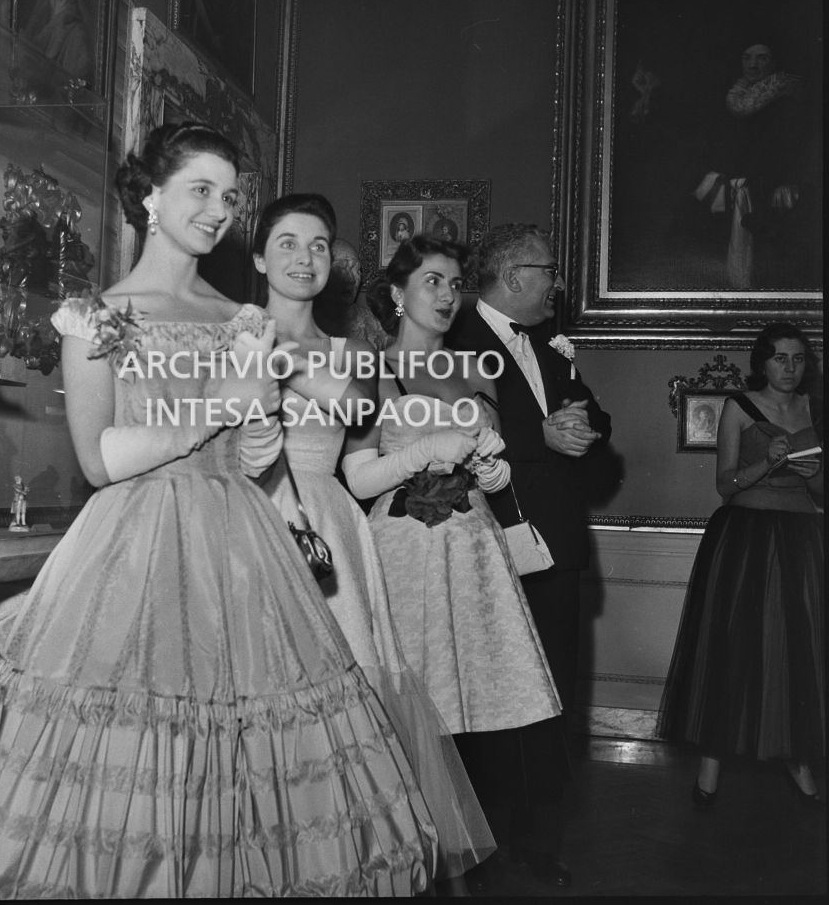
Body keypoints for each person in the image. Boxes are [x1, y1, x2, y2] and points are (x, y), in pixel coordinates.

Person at [0, 122, 440, 898]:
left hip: (241, 548)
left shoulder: (241, 318)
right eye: (201, 190)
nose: (219, 209)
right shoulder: (99, 314)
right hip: (133, 546)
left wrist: (257, 437)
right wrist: (215, 409)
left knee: (237, 772)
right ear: (150, 197)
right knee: (126, 772)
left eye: (229, 197)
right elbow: (98, 457)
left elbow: (256, 452)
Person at [254, 194, 496, 881]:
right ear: (259, 256)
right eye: (289, 243)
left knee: (342, 707)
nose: (306, 258)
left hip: (327, 515)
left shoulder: (359, 355)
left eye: (319, 245)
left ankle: (329, 861)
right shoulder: (228, 334)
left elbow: (357, 448)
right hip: (247, 511)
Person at [343, 235, 563, 876]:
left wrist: (491, 472)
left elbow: (496, 469)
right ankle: (403, 845)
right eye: (431, 281)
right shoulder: (372, 370)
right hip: (404, 547)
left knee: (485, 698)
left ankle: (483, 847)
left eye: (452, 283)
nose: (445, 294)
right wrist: (422, 452)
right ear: (397, 294)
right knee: (411, 696)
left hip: (475, 550)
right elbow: (360, 479)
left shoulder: (475, 370)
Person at [448, 222, 612, 888]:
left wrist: (586, 427)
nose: (557, 283)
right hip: (485, 542)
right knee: (485, 698)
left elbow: (596, 416)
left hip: (558, 547)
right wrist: (539, 435)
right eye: (550, 270)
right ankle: (482, 839)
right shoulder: (453, 337)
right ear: (515, 275)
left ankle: (541, 841)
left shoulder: (552, 343)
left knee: (552, 699)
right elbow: (450, 422)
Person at [658, 322, 823, 809]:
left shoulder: (817, 410)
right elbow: (725, 485)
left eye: (797, 359)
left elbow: (819, 496)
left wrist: (814, 478)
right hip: (745, 540)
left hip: (801, 539)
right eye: (779, 358)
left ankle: (799, 762)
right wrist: (765, 465)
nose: (789, 368)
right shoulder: (739, 407)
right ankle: (710, 768)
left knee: (799, 652)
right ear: (763, 362)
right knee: (733, 649)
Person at [693, 41, 819, 290]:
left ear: (774, 63)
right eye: (747, 57)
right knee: (732, 256)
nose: (753, 64)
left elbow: (791, 146)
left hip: (769, 184)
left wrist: (787, 181)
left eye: (762, 58)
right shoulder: (736, 95)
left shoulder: (785, 97)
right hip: (737, 182)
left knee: (767, 260)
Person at [313, 238, 390, 350]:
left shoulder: (374, 324)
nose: (352, 279)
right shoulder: (304, 322)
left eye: (357, 270)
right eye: (343, 268)